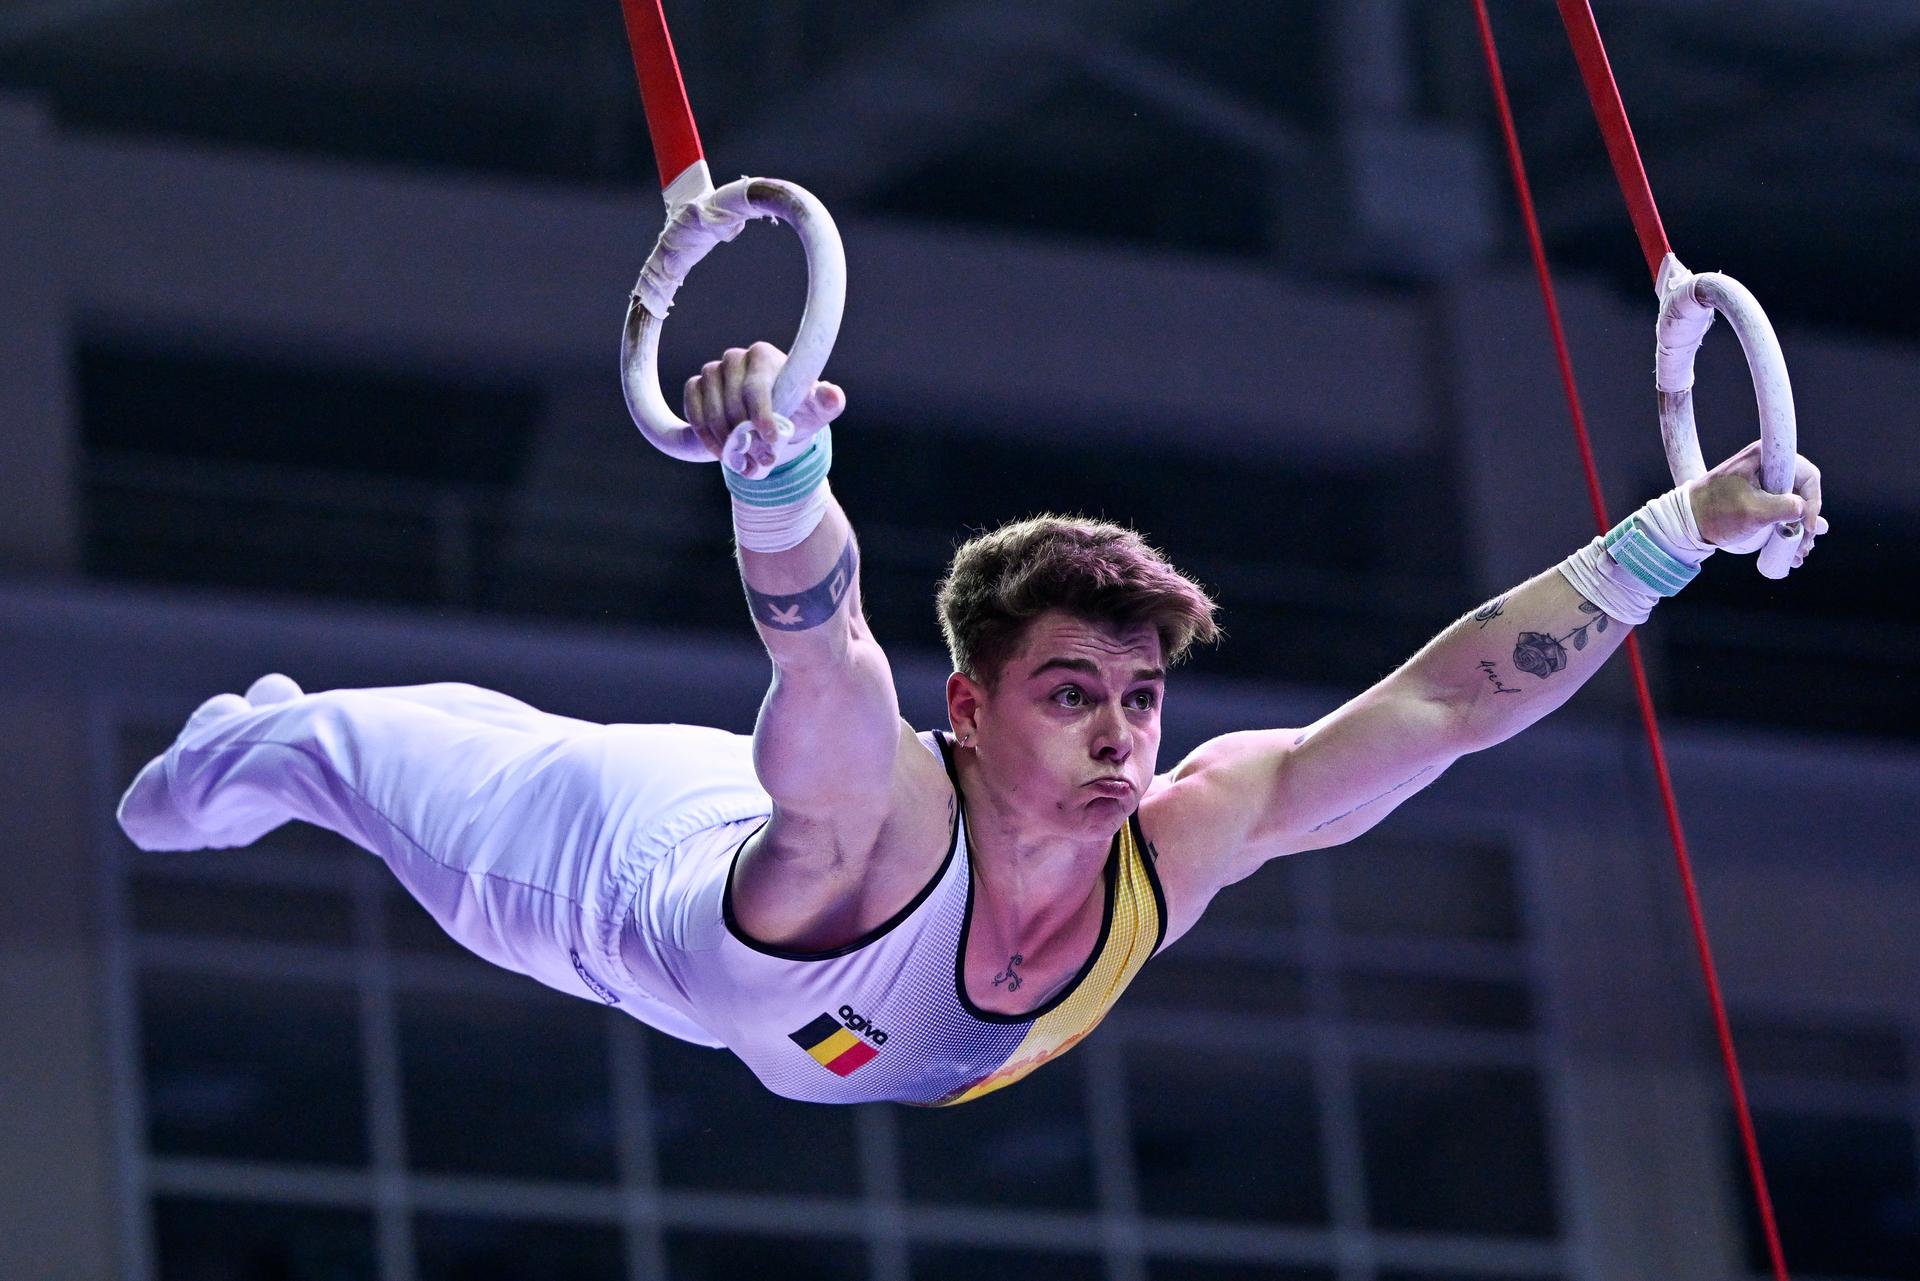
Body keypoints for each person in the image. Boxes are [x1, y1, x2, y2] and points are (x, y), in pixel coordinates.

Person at [119, 342, 1826, 1106]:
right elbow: (822, 643)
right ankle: (256, 737)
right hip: (640, 886)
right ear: (972, 705)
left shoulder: (1185, 838)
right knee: (340, 758)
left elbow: (1448, 700)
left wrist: (1674, 535)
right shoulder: (879, 797)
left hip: (825, 975)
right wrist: (778, 470)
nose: (1121, 736)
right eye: (1074, 693)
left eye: (1142, 696)